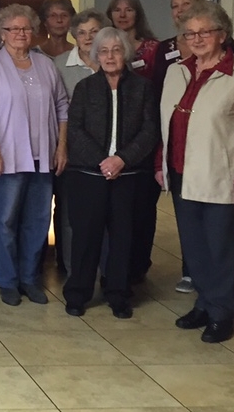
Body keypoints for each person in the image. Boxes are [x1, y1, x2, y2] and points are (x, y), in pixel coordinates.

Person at [160, 1, 234, 343]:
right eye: (189, 33)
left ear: (222, 34)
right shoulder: (177, 71)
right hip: (182, 173)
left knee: (220, 249)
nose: (196, 38)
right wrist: (160, 163)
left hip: (223, 176)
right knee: (194, 248)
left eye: (204, 32)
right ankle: (204, 303)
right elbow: (166, 124)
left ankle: (222, 313)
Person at [0, 4, 69, 307]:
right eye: (13, 28)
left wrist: (61, 147)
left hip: (43, 157)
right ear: (1, 33)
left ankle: (30, 278)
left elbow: (62, 107)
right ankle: (7, 280)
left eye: (26, 28)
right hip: (7, 157)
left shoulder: (45, 65)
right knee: (5, 221)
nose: (20, 33)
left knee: (38, 222)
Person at [61, 27, 160, 319]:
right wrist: (103, 161)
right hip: (89, 176)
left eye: (116, 50)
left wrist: (122, 160)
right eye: (103, 51)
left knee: (123, 238)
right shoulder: (85, 88)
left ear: (125, 53)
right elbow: (75, 129)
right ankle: (78, 293)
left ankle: (118, 293)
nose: (110, 56)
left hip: (128, 176)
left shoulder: (142, 87)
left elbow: (150, 130)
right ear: (96, 56)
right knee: (85, 237)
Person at [146, 0, 205, 293]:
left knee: (212, 213)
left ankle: (217, 275)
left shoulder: (219, 43)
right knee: (185, 209)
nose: (180, 10)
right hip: (175, 136)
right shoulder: (165, 48)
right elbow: (157, 92)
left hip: (208, 137)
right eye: (175, 5)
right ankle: (190, 270)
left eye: (186, 4)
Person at [50, 8, 110, 272]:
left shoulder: (114, 60)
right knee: (70, 214)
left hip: (110, 153)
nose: (88, 38)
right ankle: (73, 269)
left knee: (107, 215)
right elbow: (54, 110)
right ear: (73, 35)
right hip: (72, 151)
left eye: (94, 32)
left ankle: (104, 270)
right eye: (82, 32)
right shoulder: (58, 65)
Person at [106, 0, 160, 79]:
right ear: (110, 15)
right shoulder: (103, 49)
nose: (122, 15)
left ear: (137, 14)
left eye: (129, 10)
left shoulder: (154, 48)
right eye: (117, 10)